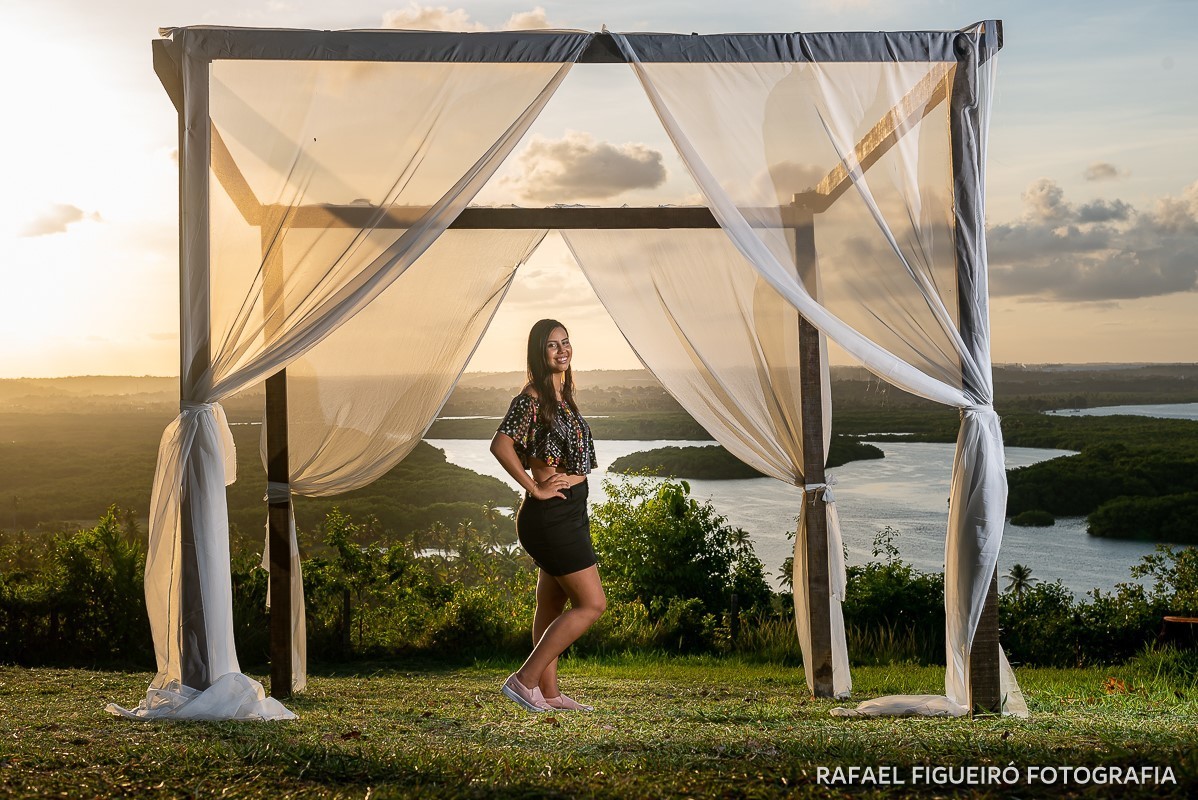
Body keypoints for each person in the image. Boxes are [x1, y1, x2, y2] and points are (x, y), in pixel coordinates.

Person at [489, 319, 605, 713]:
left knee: (551, 605)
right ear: (540, 353)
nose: (562, 351)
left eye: (565, 343)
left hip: (567, 512)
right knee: (592, 604)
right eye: (552, 345)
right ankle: (524, 680)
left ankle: (549, 695)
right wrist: (534, 486)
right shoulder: (533, 398)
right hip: (551, 515)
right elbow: (501, 444)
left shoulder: (562, 396)